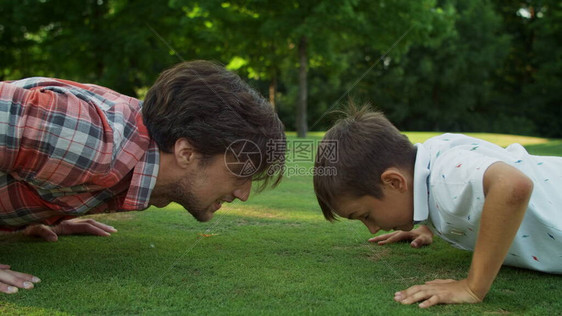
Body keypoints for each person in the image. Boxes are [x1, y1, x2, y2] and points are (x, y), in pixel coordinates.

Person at [0, 60, 286, 294]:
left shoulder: (145, 166)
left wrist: (41, 213)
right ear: (187, 153)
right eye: (239, 171)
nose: (243, 194)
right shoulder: (93, 141)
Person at [313, 105, 561, 308]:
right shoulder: (431, 161)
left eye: (366, 215)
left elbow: (513, 185)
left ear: (394, 182)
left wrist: (472, 287)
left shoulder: (447, 174)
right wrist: (427, 224)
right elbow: (449, 193)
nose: (372, 228)